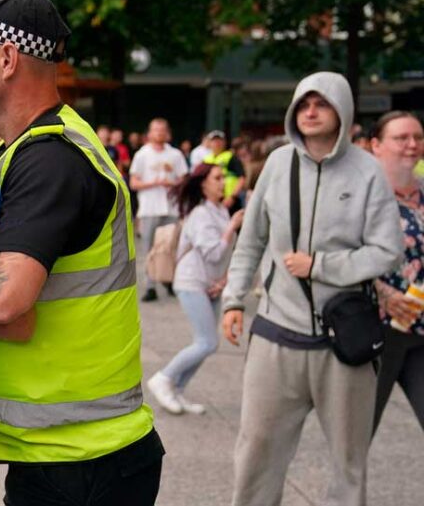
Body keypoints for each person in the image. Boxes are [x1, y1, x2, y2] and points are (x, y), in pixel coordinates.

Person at [0, 0, 163, 506]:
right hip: (68, 454)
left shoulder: (51, 158)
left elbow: (4, 298)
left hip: (83, 462)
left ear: (8, 58)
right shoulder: (16, 150)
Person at [221, 72, 403, 506]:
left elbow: (386, 251)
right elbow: (252, 239)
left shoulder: (368, 172)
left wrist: (320, 266)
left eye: (322, 103)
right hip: (276, 335)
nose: (311, 111)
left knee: (348, 463)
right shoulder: (278, 165)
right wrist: (233, 299)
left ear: (343, 111)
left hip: (343, 342)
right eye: (304, 104)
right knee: (255, 456)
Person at [147, 163, 244, 415]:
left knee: (205, 342)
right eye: (217, 178)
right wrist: (233, 226)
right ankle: (163, 378)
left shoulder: (219, 210)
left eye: (224, 177)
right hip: (190, 282)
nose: (223, 182)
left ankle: (176, 390)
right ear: (203, 183)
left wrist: (223, 280)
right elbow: (213, 252)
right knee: (207, 342)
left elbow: (226, 255)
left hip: (209, 285)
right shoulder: (200, 213)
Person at [369, 110, 424, 433]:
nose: (412, 144)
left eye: (417, 137)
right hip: (376, 332)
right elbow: (336, 254)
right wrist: (383, 293)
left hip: (420, 331)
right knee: (358, 436)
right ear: (376, 145)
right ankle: (346, 487)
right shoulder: (362, 196)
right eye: (401, 138)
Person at [130, 117, 188, 302]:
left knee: (171, 247)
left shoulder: (175, 154)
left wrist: (175, 183)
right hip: (149, 207)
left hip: (170, 208)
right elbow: (134, 182)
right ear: (150, 132)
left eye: (163, 130)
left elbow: (184, 179)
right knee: (149, 249)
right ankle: (150, 286)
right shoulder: (142, 155)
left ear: (167, 132)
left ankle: (170, 281)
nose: (160, 133)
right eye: (156, 130)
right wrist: (153, 183)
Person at [203, 130, 246, 213]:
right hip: (212, 202)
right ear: (209, 143)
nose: (217, 143)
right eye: (214, 140)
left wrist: (232, 197)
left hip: (230, 200)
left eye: (219, 140)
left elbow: (242, 178)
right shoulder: (206, 160)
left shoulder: (230, 157)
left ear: (224, 142)